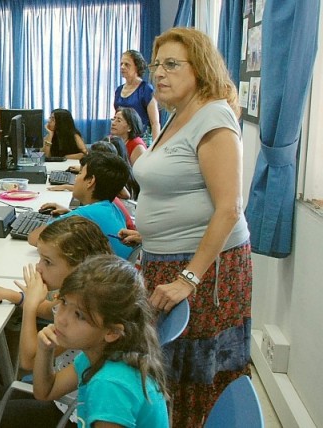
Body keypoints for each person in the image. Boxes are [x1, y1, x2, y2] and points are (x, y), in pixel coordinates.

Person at [119, 27, 252, 427]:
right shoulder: (180, 115)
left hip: (205, 273)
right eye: (157, 64)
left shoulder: (213, 115)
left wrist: (189, 279)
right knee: (169, 377)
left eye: (172, 64)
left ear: (201, 68)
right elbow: (179, 189)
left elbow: (229, 207)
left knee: (197, 379)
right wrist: (152, 231)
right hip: (168, 262)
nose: (160, 73)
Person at [0, 217, 113, 428]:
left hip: (71, 409)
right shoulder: (75, 295)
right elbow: (48, 309)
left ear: (79, 266)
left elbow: (29, 362)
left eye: (48, 262)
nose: (38, 267)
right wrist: (14, 296)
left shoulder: (82, 320)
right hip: (65, 390)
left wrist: (31, 306)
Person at [32, 255, 169, 427]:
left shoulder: (110, 385)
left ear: (112, 332)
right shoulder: (102, 353)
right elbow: (46, 392)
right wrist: (45, 350)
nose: (61, 319)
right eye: (64, 302)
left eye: (79, 315)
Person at [30, 151, 133, 260]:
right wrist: (69, 212)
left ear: (90, 181)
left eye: (79, 173)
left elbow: (35, 238)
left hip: (104, 275)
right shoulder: (112, 208)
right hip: (117, 272)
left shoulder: (86, 214)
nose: (75, 179)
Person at [114, 49, 161, 146]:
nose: (122, 67)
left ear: (137, 67)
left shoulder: (146, 89)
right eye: (121, 64)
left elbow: (155, 123)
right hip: (121, 141)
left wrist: (156, 147)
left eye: (127, 64)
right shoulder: (119, 90)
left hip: (140, 142)